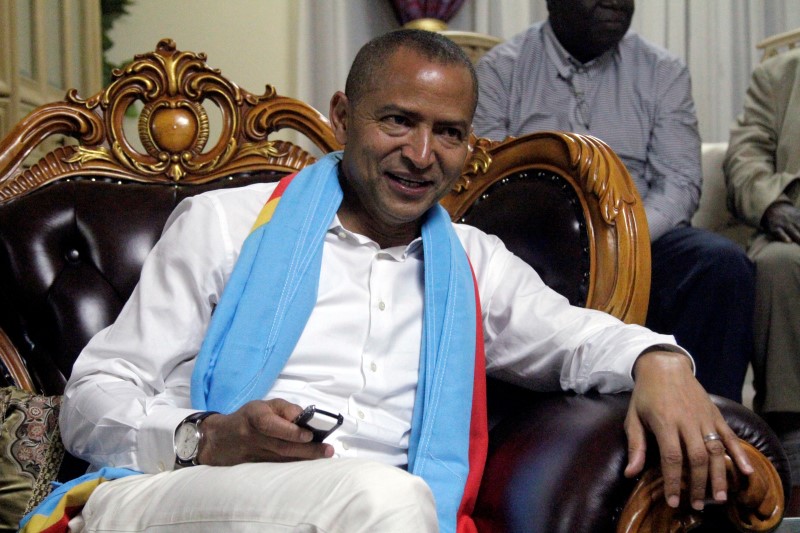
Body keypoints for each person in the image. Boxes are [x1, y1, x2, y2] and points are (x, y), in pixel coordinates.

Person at [31, 29, 751, 533]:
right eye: (398, 121)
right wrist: (208, 437)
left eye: (448, 132)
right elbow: (92, 401)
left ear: (470, 146)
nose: (421, 154)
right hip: (177, 494)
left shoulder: (471, 260)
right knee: (383, 496)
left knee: (387, 500)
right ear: (344, 117)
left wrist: (658, 359)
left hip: (385, 513)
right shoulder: (223, 224)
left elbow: (573, 335)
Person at [473, 0, 755, 402]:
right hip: (537, 251)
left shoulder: (663, 71)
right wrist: (572, 250)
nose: (616, 2)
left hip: (642, 239)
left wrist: (620, 242)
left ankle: (715, 425)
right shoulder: (502, 70)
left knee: (720, 265)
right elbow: (487, 183)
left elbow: (680, 183)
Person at [724, 46, 800, 485]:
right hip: (795, 229)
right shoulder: (778, 76)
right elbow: (745, 158)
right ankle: (791, 428)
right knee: (776, 263)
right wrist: (773, 204)